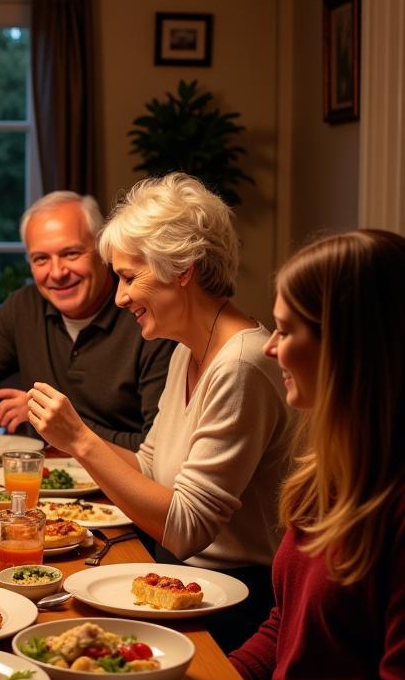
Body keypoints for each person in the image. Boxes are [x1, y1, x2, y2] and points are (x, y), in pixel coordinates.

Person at [28, 174, 294, 649]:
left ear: (183, 268)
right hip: (177, 582)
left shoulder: (241, 364)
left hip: (236, 608)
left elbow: (187, 530)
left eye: (131, 277)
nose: (120, 296)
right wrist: (73, 439)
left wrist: (81, 441)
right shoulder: (186, 349)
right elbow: (151, 467)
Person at [229, 230, 405, 680]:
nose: (269, 348)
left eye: (284, 329)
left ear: (348, 346)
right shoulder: (327, 473)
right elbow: (287, 625)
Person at [0, 191, 173, 449]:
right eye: (40, 259)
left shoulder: (148, 318)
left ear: (103, 251)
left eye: (70, 253)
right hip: (38, 483)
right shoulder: (25, 307)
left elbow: (156, 448)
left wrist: (51, 419)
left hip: (122, 491)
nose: (57, 272)